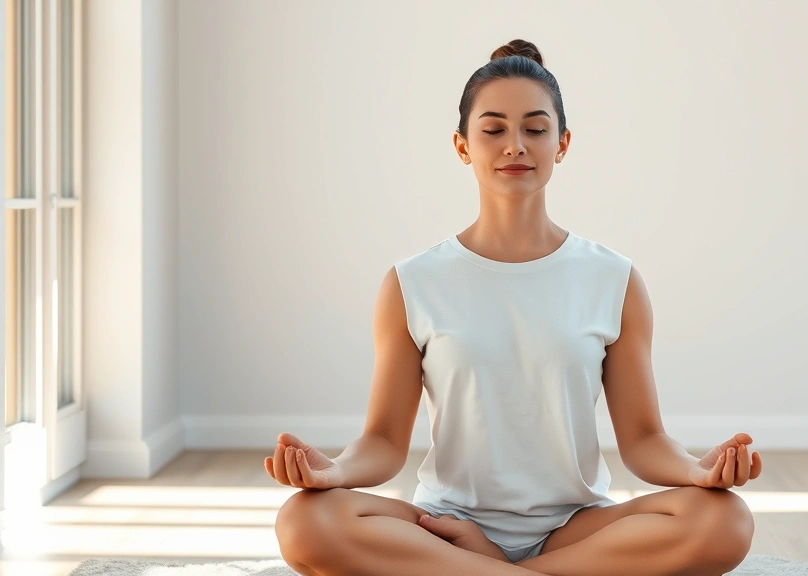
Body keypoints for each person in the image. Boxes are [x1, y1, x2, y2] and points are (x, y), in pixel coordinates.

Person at [266, 39, 762, 576]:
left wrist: (696, 470)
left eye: (535, 128)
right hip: (447, 528)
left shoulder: (613, 278)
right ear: (462, 146)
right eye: (494, 129)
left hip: (575, 528)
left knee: (725, 521)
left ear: (562, 143)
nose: (515, 145)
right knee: (303, 522)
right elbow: (384, 442)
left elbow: (643, 441)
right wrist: (334, 472)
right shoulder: (413, 282)